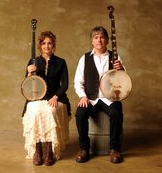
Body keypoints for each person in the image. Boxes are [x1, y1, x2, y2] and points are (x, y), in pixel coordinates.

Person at [74, 26, 124, 164]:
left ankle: (114, 149)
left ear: (107, 40)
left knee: (116, 112)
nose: (99, 40)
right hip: (91, 98)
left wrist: (121, 70)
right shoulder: (84, 59)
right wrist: (82, 96)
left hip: (109, 99)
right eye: (96, 37)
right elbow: (78, 81)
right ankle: (84, 149)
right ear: (92, 41)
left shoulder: (115, 57)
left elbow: (123, 81)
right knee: (80, 114)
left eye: (102, 37)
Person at [22, 31, 71, 166]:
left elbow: (65, 84)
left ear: (53, 45)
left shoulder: (61, 62)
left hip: (57, 97)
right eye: (44, 43)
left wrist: (56, 97)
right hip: (37, 98)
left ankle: (50, 151)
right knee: (35, 110)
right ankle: (38, 151)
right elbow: (26, 85)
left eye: (49, 43)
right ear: (40, 45)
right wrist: (29, 73)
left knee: (51, 111)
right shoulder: (33, 61)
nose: (47, 46)